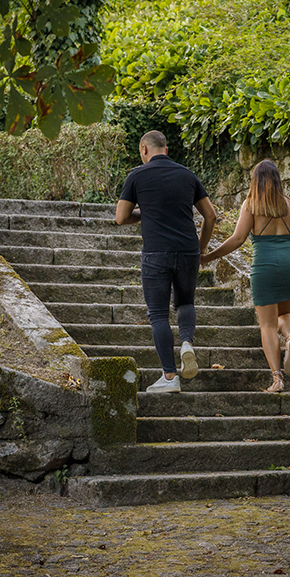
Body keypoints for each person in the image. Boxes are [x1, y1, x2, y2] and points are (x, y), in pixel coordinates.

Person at [201, 159, 290, 393]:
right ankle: (289, 337)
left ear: (255, 181)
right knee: (285, 313)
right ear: (278, 180)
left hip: (264, 267)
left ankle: (277, 379)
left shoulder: (251, 205)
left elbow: (237, 239)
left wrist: (208, 257)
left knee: (266, 325)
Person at [116, 130, 218, 393]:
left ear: (144, 149)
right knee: (185, 302)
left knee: (159, 314)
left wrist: (145, 211)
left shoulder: (137, 176)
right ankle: (186, 343)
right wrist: (202, 247)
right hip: (188, 251)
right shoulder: (187, 175)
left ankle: (170, 377)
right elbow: (211, 216)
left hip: (156, 253)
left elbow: (121, 216)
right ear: (166, 150)